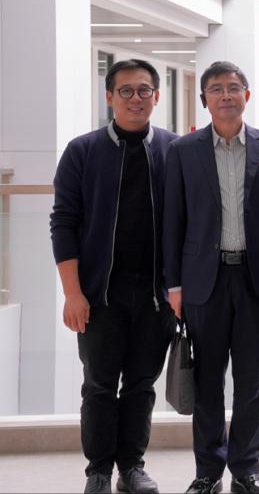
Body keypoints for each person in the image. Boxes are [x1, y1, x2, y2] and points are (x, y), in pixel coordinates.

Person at [163, 61, 259, 494]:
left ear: (247, 95)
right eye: (216, 89)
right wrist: (174, 285)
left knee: (251, 382)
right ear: (204, 99)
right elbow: (173, 221)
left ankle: (246, 469)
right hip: (204, 281)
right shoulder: (183, 150)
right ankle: (208, 471)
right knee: (207, 382)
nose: (225, 96)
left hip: (256, 280)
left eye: (233, 88)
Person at [50, 59, 178, 494]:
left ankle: (132, 468)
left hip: (156, 295)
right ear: (109, 96)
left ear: (156, 96)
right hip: (99, 294)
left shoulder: (174, 150)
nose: (135, 98)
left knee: (141, 385)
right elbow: (63, 223)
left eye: (144, 91)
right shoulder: (82, 151)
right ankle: (99, 471)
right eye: (126, 91)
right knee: (99, 386)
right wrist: (73, 294)